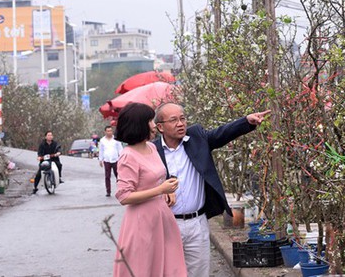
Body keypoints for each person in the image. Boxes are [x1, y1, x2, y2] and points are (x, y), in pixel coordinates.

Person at [152, 103, 270, 277]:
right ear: (160, 127)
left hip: (196, 222)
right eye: (174, 120)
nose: (180, 123)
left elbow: (222, 133)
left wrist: (247, 122)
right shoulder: (152, 151)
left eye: (182, 118)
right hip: (167, 224)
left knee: (199, 272)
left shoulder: (196, 138)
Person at [114, 102, 187, 277]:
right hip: (141, 222)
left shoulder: (152, 147)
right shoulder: (128, 156)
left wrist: (166, 189)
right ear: (140, 124)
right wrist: (160, 190)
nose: (154, 125)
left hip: (161, 217)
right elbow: (124, 196)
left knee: (170, 267)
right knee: (144, 269)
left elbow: (155, 179)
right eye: (150, 121)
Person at [98, 125, 124, 197]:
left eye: (110, 131)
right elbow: (101, 150)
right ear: (105, 132)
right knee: (107, 176)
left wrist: (121, 157)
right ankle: (108, 191)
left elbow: (120, 149)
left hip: (115, 159)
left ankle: (120, 189)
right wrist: (101, 159)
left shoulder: (116, 139)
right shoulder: (102, 140)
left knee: (118, 176)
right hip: (107, 160)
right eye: (108, 131)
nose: (109, 132)